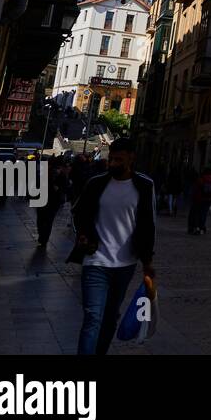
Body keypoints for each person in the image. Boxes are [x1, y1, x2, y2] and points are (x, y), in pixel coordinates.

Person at [68, 137, 156, 356]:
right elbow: (78, 213)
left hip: (125, 263)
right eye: (111, 159)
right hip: (96, 259)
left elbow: (148, 224)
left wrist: (147, 262)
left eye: (119, 159)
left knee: (109, 317)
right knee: (92, 317)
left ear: (131, 158)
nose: (113, 163)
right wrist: (84, 235)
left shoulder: (144, 186)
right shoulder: (96, 183)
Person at [35, 159, 71, 248]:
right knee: (43, 220)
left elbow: (65, 188)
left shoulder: (62, 176)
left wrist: (58, 189)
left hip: (52, 201)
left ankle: (43, 238)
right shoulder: (45, 174)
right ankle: (42, 237)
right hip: (45, 200)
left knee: (45, 220)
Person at [188, 167, 211, 235]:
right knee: (204, 214)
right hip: (208, 199)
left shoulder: (201, 179)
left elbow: (196, 189)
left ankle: (196, 227)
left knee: (196, 213)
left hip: (199, 199)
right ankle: (202, 227)